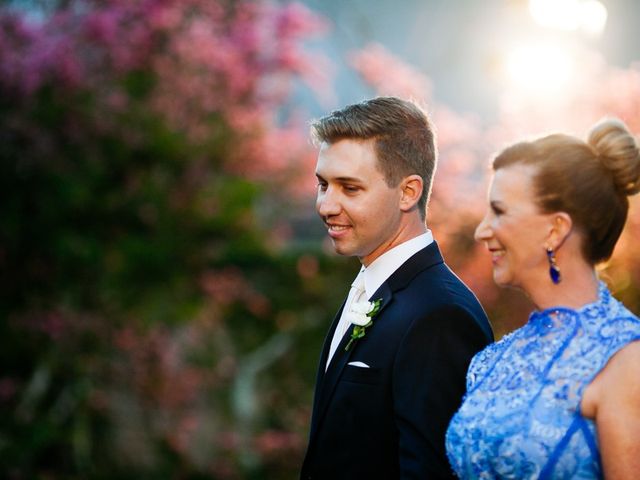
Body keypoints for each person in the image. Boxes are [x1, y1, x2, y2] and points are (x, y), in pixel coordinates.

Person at [299, 96, 493, 480]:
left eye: (349, 188)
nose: (325, 205)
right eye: (324, 185)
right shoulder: (373, 284)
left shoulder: (440, 315)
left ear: (408, 192)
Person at [446, 118, 640, 478]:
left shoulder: (627, 362)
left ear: (555, 229)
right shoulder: (490, 362)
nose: (481, 229)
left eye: (499, 211)